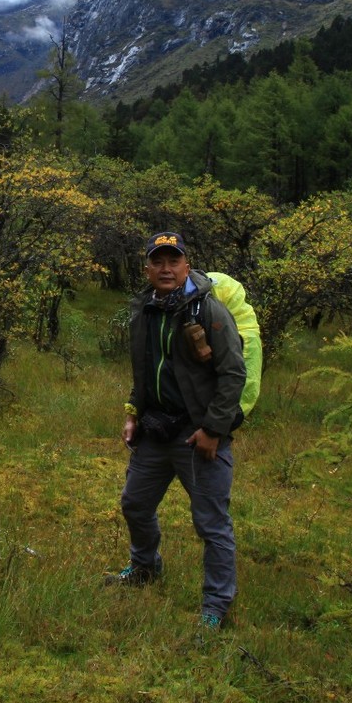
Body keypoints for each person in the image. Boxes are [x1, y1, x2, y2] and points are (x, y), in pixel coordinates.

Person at [110, 230, 245, 629]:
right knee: (135, 504)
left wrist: (213, 429)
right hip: (156, 430)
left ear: (187, 265)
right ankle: (144, 568)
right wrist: (134, 412)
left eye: (173, 260)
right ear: (147, 267)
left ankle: (216, 606)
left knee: (211, 523)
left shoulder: (209, 311)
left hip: (197, 435)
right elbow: (144, 370)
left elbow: (233, 373)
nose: (166, 269)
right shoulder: (145, 310)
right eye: (158, 261)